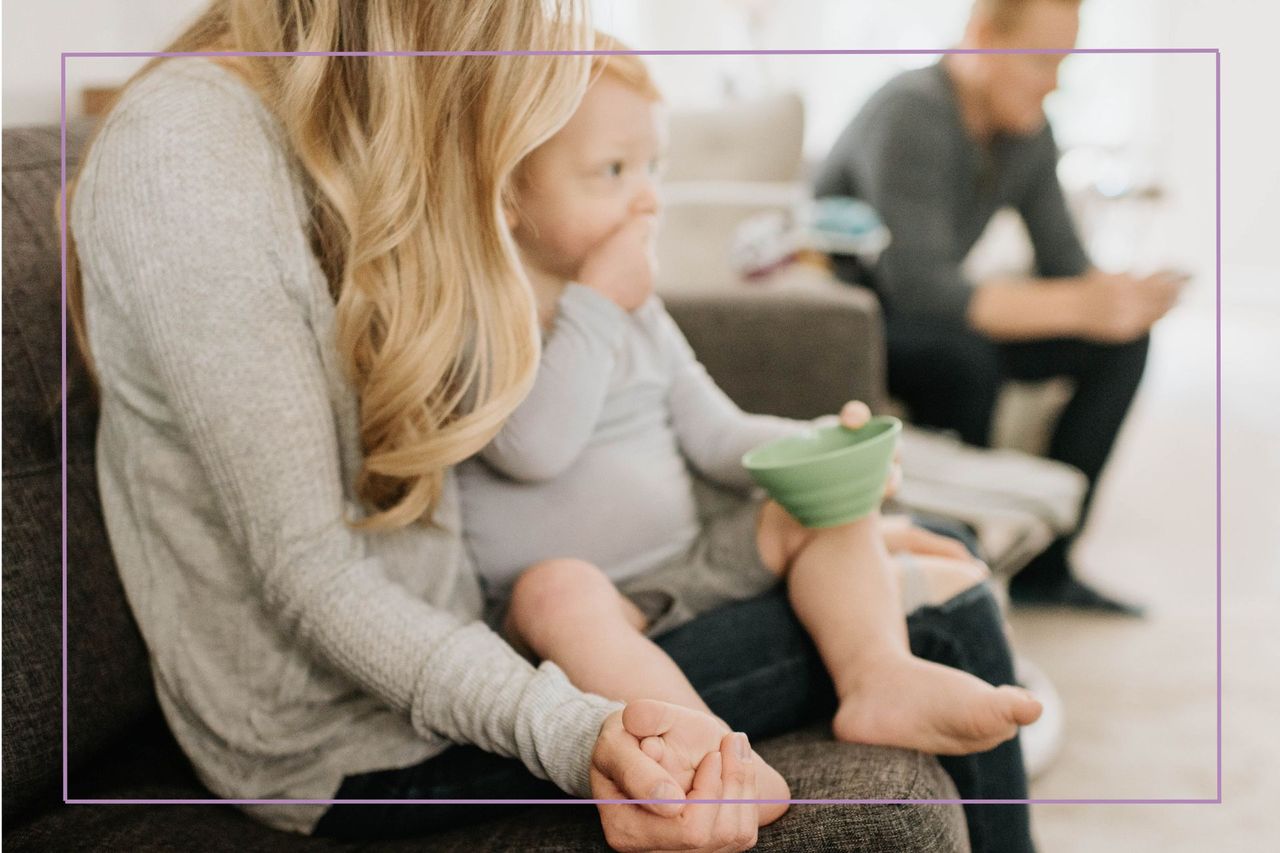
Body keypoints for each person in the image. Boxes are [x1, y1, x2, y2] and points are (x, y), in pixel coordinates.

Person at [66, 3, 1038, 851]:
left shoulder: (355, 123)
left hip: (452, 642)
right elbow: (317, 572)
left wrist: (801, 518)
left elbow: (671, 432)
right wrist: (576, 732)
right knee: (944, 609)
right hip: (353, 741)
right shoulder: (191, 155)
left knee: (924, 552)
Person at [456, 43, 1042, 815]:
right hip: (596, 610)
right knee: (553, 589)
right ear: (508, 189)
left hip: (694, 560)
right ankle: (711, 752)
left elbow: (715, 433)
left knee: (823, 508)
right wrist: (594, 305)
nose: (647, 200)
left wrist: (811, 445)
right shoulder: (480, 320)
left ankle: (878, 675)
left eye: (655, 167)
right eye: (613, 171)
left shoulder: (639, 312)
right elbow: (533, 448)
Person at [813, 0, 1183, 615]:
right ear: (982, 38)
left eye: (1063, 64)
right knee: (963, 358)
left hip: (936, 310)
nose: (1054, 82)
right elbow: (921, 288)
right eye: (1041, 60)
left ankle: (1047, 562)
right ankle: (960, 572)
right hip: (858, 315)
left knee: (1121, 344)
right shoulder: (910, 110)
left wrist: (1121, 298)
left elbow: (1066, 263)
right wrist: (1082, 302)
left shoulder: (1028, 133)